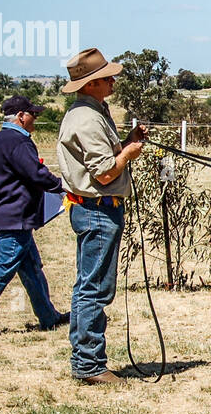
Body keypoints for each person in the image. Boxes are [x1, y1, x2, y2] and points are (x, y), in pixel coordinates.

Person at [57, 48, 147, 385]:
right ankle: (89, 364)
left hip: (95, 210)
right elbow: (105, 174)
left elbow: (105, 159)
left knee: (89, 286)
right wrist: (128, 153)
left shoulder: (94, 112)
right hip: (97, 210)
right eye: (107, 77)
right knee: (95, 289)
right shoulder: (88, 118)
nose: (113, 81)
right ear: (91, 83)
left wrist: (128, 143)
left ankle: (87, 360)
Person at [0, 96, 68, 335]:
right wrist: (62, 185)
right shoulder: (18, 141)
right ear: (20, 116)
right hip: (16, 215)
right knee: (4, 266)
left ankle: (48, 316)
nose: (36, 119)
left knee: (31, 267)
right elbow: (36, 173)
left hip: (9, 213)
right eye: (33, 114)